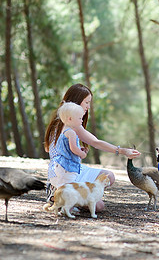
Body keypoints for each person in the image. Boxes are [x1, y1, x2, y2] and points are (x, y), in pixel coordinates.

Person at [44, 84, 141, 212]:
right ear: (76, 102)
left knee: (108, 176)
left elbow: (49, 149)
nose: (88, 107)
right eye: (86, 102)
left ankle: (76, 197)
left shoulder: (63, 121)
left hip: (74, 170)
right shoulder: (71, 126)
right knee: (99, 206)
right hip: (65, 174)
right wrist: (122, 151)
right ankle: (61, 195)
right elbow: (96, 142)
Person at [51, 102, 88, 187]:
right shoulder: (71, 133)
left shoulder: (64, 130)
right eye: (79, 118)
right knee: (68, 187)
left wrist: (79, 148)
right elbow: (73, 148)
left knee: (62, 185)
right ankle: (62, 199)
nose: (82, 120)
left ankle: (58, 197)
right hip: (67, 167)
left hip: (61, 164)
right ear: (70, 119)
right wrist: (82, 154)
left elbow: (67, 147)